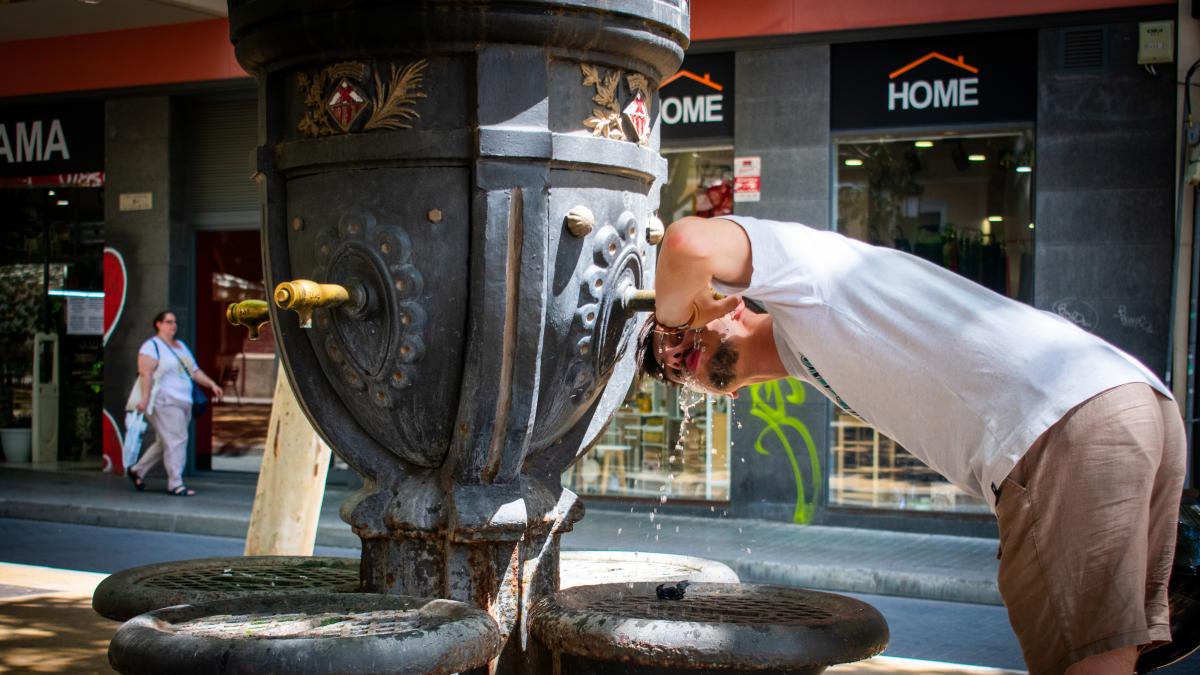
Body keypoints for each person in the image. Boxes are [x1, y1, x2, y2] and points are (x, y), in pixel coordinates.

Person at [638, 215, 1186, 675]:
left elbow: (689, 242)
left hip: (1061, 426)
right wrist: (679, 341)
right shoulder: (811, 356)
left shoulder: (808, 279)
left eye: (686, 335)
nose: (679, 358)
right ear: (719, 395)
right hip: (1128, 403)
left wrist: (666, 328)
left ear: (733, 301)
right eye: (676, 368)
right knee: (1115, 656)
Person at [126, 311, 223, 497]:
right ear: (158, 324)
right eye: (168, 322)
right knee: (177, 440)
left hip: (184, 401)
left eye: (175, 322)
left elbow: (194, 371)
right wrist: (144, 399)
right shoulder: (151, 346)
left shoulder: (181, 347)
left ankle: (137, 470)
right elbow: (145, 374)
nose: (173, 325)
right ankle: (176, 483)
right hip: (165, 401)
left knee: (166, 441)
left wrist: (212, 384)